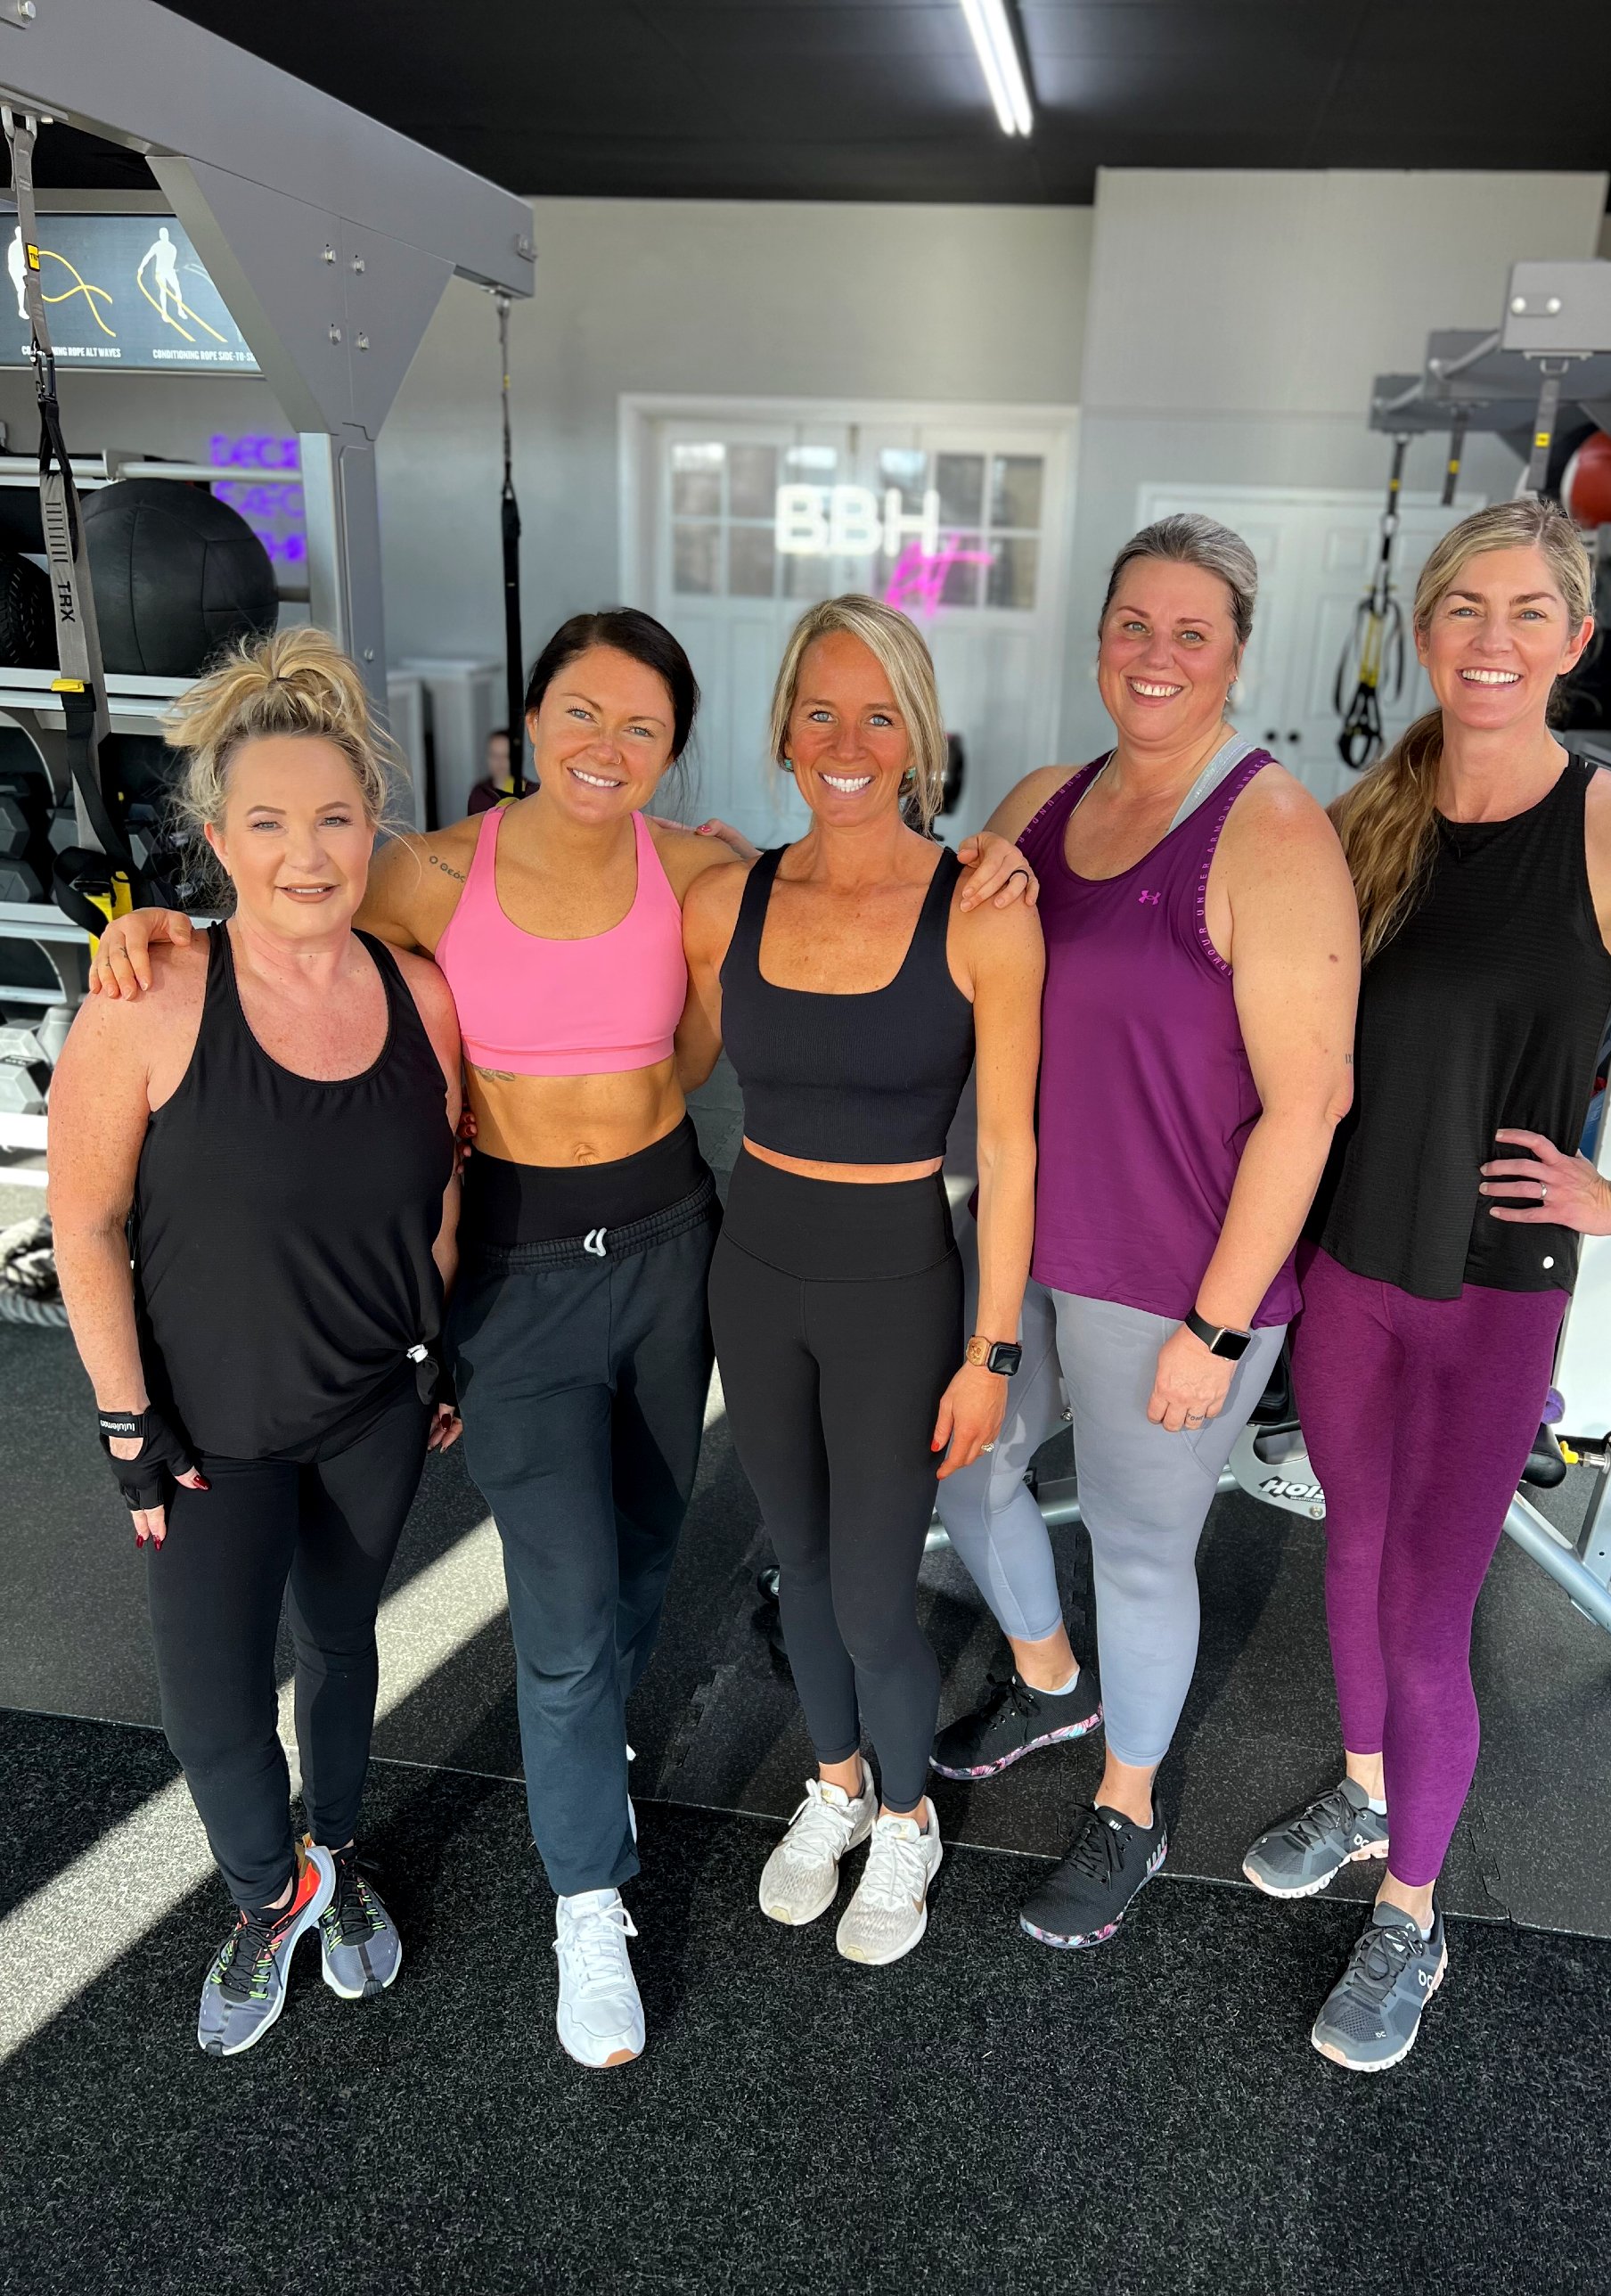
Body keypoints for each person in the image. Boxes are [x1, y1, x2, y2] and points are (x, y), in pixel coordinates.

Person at [94, 607, 1038, 2055]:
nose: (607, 744)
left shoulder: (705, 873)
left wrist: (988, 855)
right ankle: (587, 1904)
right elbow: (287, 911)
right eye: (582, 713)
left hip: (672, 1251)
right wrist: (165, 931)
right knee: (567, 1602)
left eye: (641, 725)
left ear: (675, 748)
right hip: (516, 1275)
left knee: (646, 1562)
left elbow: (844, 883)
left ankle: (617, 1743)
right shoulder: (428, 872)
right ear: (531, 721)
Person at [1242, 496, 1611, 2071]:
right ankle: (1364, 1790)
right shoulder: (1367, 811)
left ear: (1575, 640)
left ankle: (1412, 1916)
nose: (1491, 641)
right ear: (1424, 626)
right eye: (1464, 608)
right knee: (1350, 1551)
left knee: (1426, 1614)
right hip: (1349, 1271)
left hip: (1490, 1292)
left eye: (1526, 613)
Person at [930, 514, 1360, 1952]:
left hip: (1172, 1278)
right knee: (967, 1468)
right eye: (1133, 624)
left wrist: (1216, 1329)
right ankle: (1052, 1684)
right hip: (1022, 1239)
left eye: (1190, 632)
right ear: (1099, 638)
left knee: (1134, 1546)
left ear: (1235, 654)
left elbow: (1309, 1104)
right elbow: (948, 960)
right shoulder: (1046, 799)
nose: (1155, 654)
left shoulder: (1270, 832)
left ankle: (1128, 1806)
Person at [51, 627, 463, 2059]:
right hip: (206, 1431)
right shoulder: (151, 996)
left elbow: (442, 1182)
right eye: (270, 823)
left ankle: (333, 1855)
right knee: (212, 1707)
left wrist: (433, 1341)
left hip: (370, 1412)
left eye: (335, 819)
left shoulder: (420, 994)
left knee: (341, 1645)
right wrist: (124, 1420)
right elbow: (85, 1222)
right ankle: (265, 1893)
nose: (307, 852)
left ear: (371, 831)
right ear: (218, 840)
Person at [682, 595, 1043, 1966]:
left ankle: (906, 1817)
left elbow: (1007, 1151)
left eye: (877, 715)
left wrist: (990, 1352)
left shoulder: (983, 911)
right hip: (754, 1276)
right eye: (819, 713)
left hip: (895, 1288)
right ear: (782, 731)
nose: (846, 744)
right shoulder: (727, 896)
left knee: (872, 1596)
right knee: (799, 1566)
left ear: (917, 737)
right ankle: (832, 1786)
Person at [467, 726, 536, 815]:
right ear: (487, 758)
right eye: (495, 755)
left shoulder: (532, 793)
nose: (500, 762)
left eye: (506, 756)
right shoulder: (479, 793)